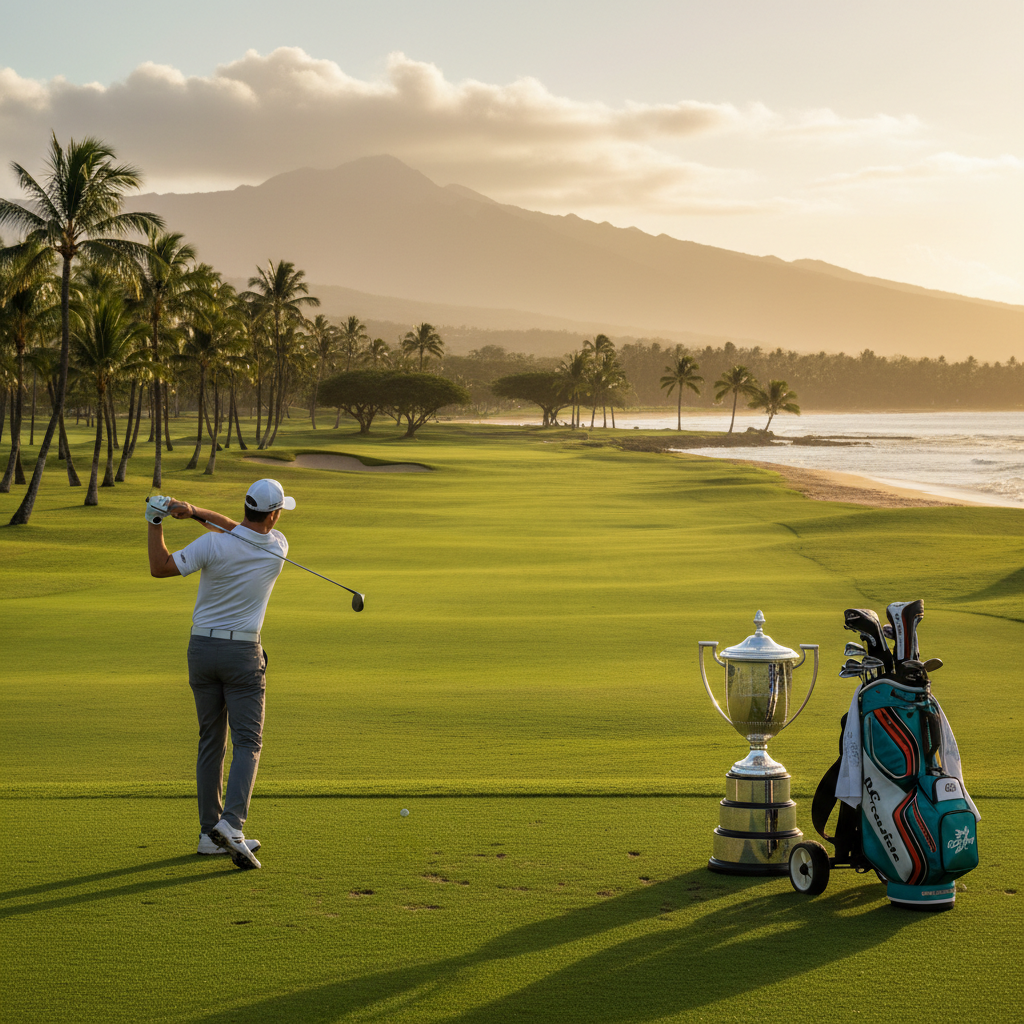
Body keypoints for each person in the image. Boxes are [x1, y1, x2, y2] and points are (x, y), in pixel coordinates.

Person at [146, 478, 296, 870]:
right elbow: (239, 531)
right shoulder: (278, 546)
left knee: (212, 740)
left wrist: (158, 521)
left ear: (247, 506)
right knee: (248, 741)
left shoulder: (212, 544)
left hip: (202, 650)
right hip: (243, 653)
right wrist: (195, 513)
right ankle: (231, 824)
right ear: (275, 514)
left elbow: (160, 568)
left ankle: (208, 833)